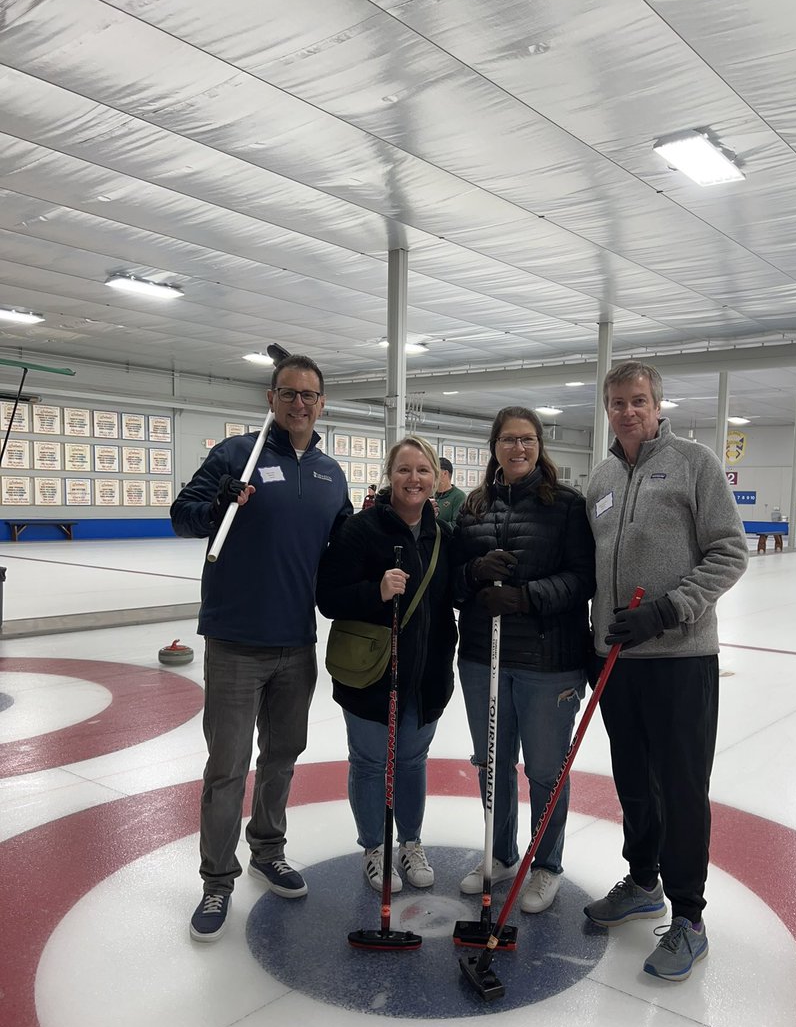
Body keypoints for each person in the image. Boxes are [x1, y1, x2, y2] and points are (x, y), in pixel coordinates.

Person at [171, 353, 352, 942]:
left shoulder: (330, 474)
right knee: (226, 768)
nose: (299, 403)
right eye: (289, 393)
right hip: (234, 642)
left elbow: (344, 548)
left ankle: (267, 849)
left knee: (281, 756)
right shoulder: (235, 456)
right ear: (272, 398)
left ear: (322, 404)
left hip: (295, 643)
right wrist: (218, 501)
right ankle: (216, 881)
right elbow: (183, 516)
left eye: (310, 395)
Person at [583, 361, 748, 981]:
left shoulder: (692, 463)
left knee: (680, 789)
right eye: (618, 402)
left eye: (639, 401)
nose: (628, 411)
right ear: (607, 410)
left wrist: (669, 610)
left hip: (680, 659)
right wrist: (592, 638)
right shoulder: (601, 476)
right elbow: (595, 563)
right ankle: (643, 881)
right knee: (633, 781)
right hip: (618, 662)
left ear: (657, 406)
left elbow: (729, 550)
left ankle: (688, 916)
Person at [453, 407, 595, 913]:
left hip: (546, 660)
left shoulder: (566, 506)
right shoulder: (472, 507)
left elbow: (584, 579)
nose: (518, 449)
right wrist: (473, 571)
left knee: (543, 770)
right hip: (480, 658)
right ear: (494, 445)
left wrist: (525, 596)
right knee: (492, 766)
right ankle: (499, 853)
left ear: (539, 446)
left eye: (528, 440)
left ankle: (546, 864)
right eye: (509, 440)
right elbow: (450, 582)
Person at [316, 436, 457, 892]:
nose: (413, 479)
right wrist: (373, 591)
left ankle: (410, 843)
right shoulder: (360, 530)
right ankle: (375, 848)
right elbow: (328, 597)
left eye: (422, 470)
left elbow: (454, 596)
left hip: (425, 676)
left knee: (413, 761)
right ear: (389, 476)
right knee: (371, 761)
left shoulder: (442, 535)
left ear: (435, 479)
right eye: (403, 469)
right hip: (371, 673)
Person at [435, 457, 466, 526]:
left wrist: (432, 527)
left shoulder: (459, 496)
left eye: (435, 471)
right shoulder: (430, 495)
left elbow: (456, 526)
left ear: (444, 473)